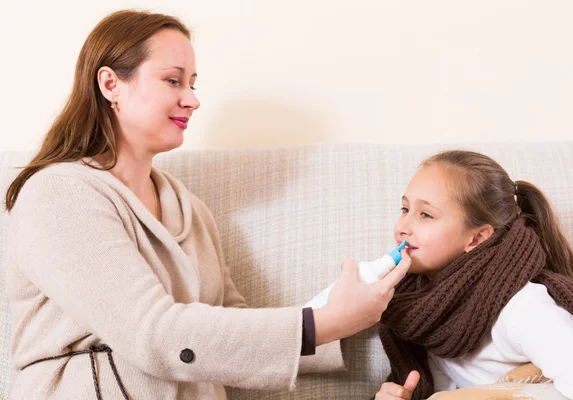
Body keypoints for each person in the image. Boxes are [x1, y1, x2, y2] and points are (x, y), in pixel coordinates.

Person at [3, 10, 411, 400]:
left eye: (193, 84)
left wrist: (346, 315)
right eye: (173, 81)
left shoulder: (190, 210)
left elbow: (228, 327)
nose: (192, 100)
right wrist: (321, 324)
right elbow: (153, 333)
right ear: (111, 84)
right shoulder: (58, 194)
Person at [374, 150, 573, 400]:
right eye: (404, 209)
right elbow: (442, 390)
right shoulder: (427, 311)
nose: (402, 227)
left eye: (425, 214)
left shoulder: (524, 308)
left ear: (477, 238)